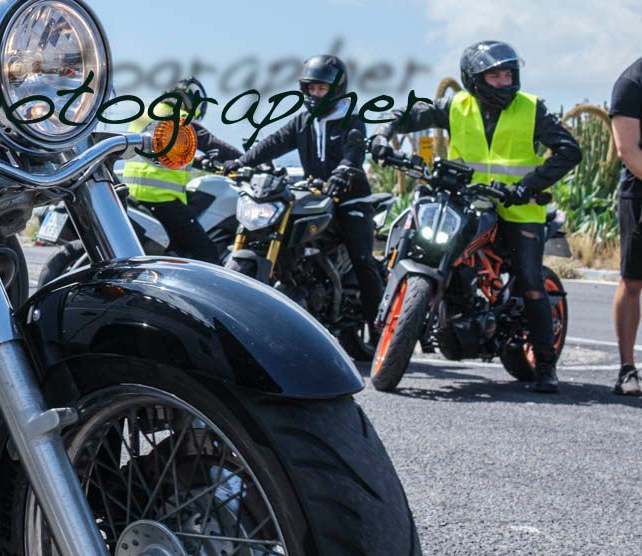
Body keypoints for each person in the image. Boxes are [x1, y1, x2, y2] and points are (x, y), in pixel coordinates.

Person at [371, 41, 580, 393]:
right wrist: (381, 135)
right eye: (495, 76)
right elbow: (407, 114)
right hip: (464, 201)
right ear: (473, 79)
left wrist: (527, 186)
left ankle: (546, 365)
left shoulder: (531, 109)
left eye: (508, 75)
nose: (504, 82)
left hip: (517, 207)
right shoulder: (455, 105)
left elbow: (569, 151)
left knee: (530, 280)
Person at [226, 55, 386, 334]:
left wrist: (343, 171)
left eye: (321, 89)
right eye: (311, 88)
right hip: (315, 196)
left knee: (363, 260)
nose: (315, 94)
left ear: (336, 90)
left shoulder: (351, 120)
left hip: (350, 198)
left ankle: (381, 329)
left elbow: (354, 152)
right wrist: (241, 162)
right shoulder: (302, 121)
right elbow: (273, 143)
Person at [121, 77, 242, 261]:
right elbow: (214, 145)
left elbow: (158, 150)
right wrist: (245, 161)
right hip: (161, 200)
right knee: (206, 254)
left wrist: (198, 161)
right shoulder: (180, 118)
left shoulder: (145, 114)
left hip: (131, 195)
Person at [608, 57, 642, 396]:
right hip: (639, 192)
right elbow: (628, 150)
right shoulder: (632, 82)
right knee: (633, 280)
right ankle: (627, 369)